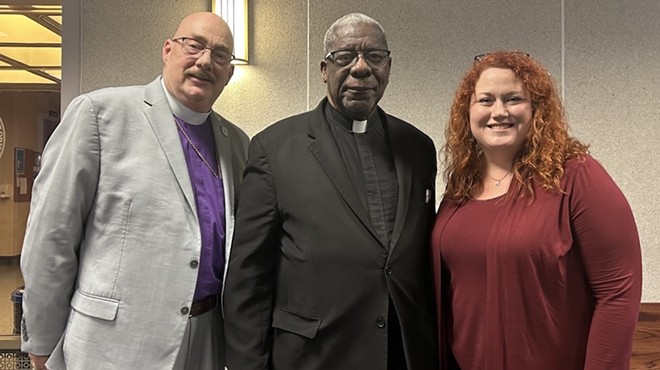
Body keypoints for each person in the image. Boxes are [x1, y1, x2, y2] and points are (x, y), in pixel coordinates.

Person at [20, 12, 249, 370]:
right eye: (195, 45)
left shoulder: (236, 143)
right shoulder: (100, 114)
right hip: (114, 344)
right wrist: (42, 343)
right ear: (168, 49)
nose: (205, 60)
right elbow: (51, 237)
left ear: (229, 73)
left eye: (220, 55)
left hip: (207, 339)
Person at [223, 12, 438, 370]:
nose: (361, 68)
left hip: (402, 353)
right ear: (325, 69)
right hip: (314, 356)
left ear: (388, 65)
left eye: (374, 56)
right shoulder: (274, 149)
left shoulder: (418, 147)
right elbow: (249, 279)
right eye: (345, 57)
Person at [432, 50, 642, 369]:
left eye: (513, 98)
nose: (499, 111)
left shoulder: (575, 177)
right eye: (485, 100)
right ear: (467, 111)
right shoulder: (459, 188)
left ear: (535, 109)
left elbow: (618, 292)